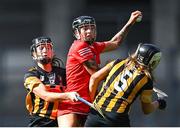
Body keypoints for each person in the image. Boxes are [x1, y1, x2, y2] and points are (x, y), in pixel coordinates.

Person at [57, 10, 143, 127]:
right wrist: (121, 70)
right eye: (85, 28)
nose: (89, 31)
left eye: (92, 28)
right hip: (73, 104)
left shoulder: (94, 46)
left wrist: (130, 22)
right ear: (77, 33)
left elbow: (116, 42)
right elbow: (96, 73)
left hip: (90, 104)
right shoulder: (80, 46)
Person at [85, 43, 167, 127]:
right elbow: (146, 110)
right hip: (116, 118)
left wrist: (92, 102)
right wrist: (159, 103)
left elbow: (94, 78)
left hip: (95, 114)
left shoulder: (118, 62)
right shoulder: (146, 80)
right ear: (152, 62)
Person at [24, 36, 79, 127]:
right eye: (41, 48)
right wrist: (67, 95)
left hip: (63, 118)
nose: (45, 50)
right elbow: (45, 95)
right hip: (41, 121)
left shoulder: (63, 73)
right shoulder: (31, 75)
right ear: (34, 54)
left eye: (48, 48)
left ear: (52, 52)